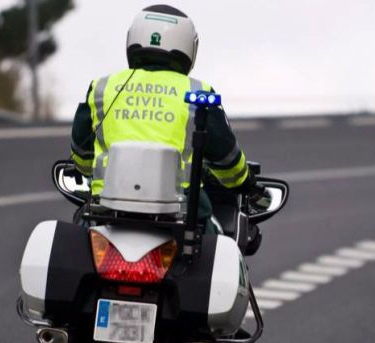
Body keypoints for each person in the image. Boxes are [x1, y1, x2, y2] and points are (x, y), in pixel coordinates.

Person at [69, 4, 265, 230]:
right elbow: (227, 157)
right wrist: (244, 182)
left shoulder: (102, 88)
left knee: (78, 231)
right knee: (221, 245)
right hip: (182, 216)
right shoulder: (198, 92)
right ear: (189, 47)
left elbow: (82, 153)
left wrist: (85, 169)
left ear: (132, 39)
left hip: (105, 210)